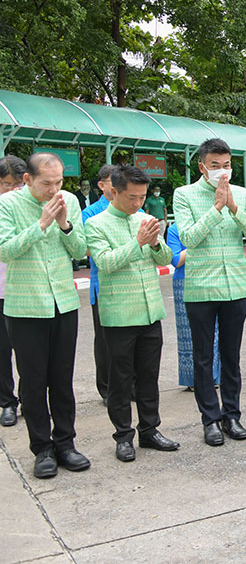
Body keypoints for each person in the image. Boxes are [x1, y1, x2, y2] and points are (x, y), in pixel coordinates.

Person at [0, 153, 90, 478]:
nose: (54, 190)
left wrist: (64, 223)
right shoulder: (7, 205)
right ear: (28, 180)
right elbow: (4, 250)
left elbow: (80, 251)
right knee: (34, 382)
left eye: (59, 182)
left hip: (63, 303)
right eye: (46, 183)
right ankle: (42, 448)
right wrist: (41, 225)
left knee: (62, 380)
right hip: (25, 308)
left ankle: (66, 442)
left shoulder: (69, 201)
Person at [86, 165, 179, 462]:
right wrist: (137, 242)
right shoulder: (96, 224)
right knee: (120, 380)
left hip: (150, 311)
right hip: (119, 315)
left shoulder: (146, 219)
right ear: (114, 192)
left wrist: (154, 241)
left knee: (149, 378)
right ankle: (123, 436)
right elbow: (106, 263)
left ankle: (150, 430)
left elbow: (166, 259)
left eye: (141, 197)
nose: (137, 203)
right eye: (131, 197)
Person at [173, 138, 246, 446]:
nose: (222, 172)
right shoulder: (183, 195)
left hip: (235, 286)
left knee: (231, 356)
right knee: (203, 358)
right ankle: (209, 419)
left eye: (226, 166)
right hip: (200, 288)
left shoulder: (241, 195)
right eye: (215, 166)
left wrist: (234, 207)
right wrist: (216, 209)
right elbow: (189, 238)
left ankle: (232, 415)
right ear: (202, 166)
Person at [164, 224, 221, 390]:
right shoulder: (175, 229)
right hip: (184, 281)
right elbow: (176, 260)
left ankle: (214, 376)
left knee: (215, 329)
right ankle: (194, 379)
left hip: (211, 278)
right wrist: (198, 243)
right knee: (188, 333)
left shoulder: (212, 224)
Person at [81, 165, 115, 404]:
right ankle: (107, 388)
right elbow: (88, 249)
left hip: (130, 285)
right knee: (104, 340)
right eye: (114, 182)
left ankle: (129, 384)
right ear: (102, 185)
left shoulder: (133, 207)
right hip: (102, 285)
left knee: (129, 339)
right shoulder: (90, 213)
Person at [0, 155, 27, 427]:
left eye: (17, 185)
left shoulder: (30, 208)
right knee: (1, 351)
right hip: (1, 290)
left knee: (30, 354)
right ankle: (7, 402)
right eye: (6, 184)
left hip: (27, 291)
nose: (12, 190)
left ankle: (31, 400)